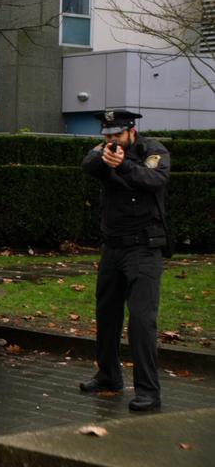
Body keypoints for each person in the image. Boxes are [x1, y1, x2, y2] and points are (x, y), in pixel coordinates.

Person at [80, 109, 170, 412]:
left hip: (144, 248)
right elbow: (87, 165)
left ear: (131, 131)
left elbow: (154, 179)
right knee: (107, 315)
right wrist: (105, 157)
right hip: (113, 248)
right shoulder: (105, 151)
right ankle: (108, 376)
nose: (111, 141)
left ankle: (148, 391)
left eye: (117, 135)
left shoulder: (152, 151)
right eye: (107, 135)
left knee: (142, 322)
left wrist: (125, 166)